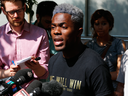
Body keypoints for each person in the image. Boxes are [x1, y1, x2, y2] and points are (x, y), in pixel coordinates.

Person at [48, 3, 114, 96]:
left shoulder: (96, 66)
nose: (56, 31)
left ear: (79, 32)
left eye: (63, 27)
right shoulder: (53, 62)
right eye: (53, 27)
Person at [0, 0, 50, 88]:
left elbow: (44, 73)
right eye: (11, 12)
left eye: (18, 10)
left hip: (31, 90)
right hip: (5, 89)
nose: (16, 15)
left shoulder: (40, 33)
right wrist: (8, 72)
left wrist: (36, 67)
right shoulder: (0, 34)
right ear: (3, 11)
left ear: (24, 8)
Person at [85, 9, 126, 90]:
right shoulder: (88, 45)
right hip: (93, 89)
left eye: (104, 23)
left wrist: (98, 77)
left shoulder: (119, 43)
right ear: (93, 26)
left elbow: (120, 73)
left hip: (112, 89)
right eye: (97, 24)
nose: (100, 27)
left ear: (110, 25)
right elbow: (85, 72)